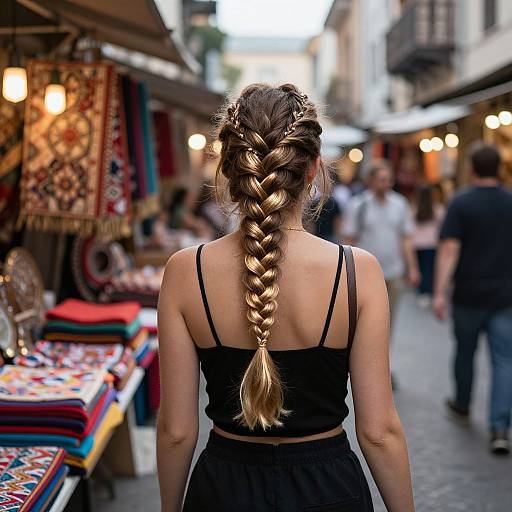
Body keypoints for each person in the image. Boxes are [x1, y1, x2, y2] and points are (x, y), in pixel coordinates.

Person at [157, 84, 414, 512]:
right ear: (314, 169)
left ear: (228, 168)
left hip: (223, 489)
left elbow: (176, 431)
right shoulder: (357, 272)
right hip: (329, 488)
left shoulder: (186, 271)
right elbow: (379, 432)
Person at [433, 142, 512, 456]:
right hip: (505, 295)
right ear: (500, 168)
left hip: (468, 294)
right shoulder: (510, 201)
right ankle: (500, 428)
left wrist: (439, 292)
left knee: (465, 354)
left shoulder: (461, 202)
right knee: (504, 361)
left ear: (472, 168)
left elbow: (450, 249)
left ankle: (462, 405)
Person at [343, 160, 421, 341]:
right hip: (366, 275)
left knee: (389, 319)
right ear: (370, 180)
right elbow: (348, 240)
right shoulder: (358, 205)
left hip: (394, 271)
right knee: (365, 321)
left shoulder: (400, 204)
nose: (386, 183)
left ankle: (385, 361)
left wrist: (413, 268)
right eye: (381, 179)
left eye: (388, 179)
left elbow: (406, 239)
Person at [412, 184, 445, 307]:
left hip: (417, 244)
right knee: (429, 269)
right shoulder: (438, 209)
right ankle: (428, 291)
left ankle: (422, 292)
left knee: (420, 268)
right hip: (432, 244)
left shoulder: (414, 209)